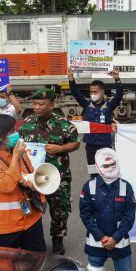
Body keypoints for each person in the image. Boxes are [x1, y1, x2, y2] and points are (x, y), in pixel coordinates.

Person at [18, 88, 80, 255]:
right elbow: (17, 142)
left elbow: (75, 144)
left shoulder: (64, 124)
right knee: (30, 207)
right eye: (35, 104)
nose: (36, 107)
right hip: (32, 176)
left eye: (41, 104)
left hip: (57, 175)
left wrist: (60, 148)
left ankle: (57, 239)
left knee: (59, 208)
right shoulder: (27, 121)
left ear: (51, 105)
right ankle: (32, 239)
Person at [79, 148, 136, 271]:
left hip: (120, 241)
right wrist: (102, 237)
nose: (111, 167)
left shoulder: (126, 187)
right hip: (97, 241)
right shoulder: (88, 187)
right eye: (106, 165)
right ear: (98, 167)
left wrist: (115, 238)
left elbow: (129, 217)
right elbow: (85, 215)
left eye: (113, 163)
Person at [0, 114, 46, 252]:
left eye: (15, 129)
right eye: (11, 132)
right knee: (5, 268)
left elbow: (29, 174)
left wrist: (31, 181)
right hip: (3, 227)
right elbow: (7, 186)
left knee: (37, 264)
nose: (16, 134)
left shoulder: (21, 154)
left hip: (30, 220)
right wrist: (15, 156)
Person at [68, 69, 123, 176]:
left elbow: (118, 96)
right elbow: (76, 93)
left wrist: (117, 80)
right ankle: (93, 190)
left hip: (105, 145)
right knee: (93, 172)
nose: (92, 94)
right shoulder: (87, 105)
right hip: (90, 146)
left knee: (107, 172)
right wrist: (71, 78)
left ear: (102, 92)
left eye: (95, 92)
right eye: (91, 92)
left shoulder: (108, 106)